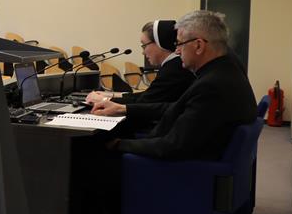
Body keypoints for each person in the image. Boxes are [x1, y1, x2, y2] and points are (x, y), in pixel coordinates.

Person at [92, 10, 256, 160]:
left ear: (198, 45)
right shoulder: (224, 70)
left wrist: (118, 144)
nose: (176, 51)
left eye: (179, 44)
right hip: (202, 155)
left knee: (95, 147)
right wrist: (123, 108)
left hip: (188, 168)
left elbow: (172, 146)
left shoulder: (211, 85)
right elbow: (177, 107)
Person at [85, 19, 194, 107]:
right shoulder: (173, 64)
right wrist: (112, 95)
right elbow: (148, 95)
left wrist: (104, 100)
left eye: (144, 45)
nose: (143, 52)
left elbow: (144, 102)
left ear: (160, 43)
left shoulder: (174, 69)